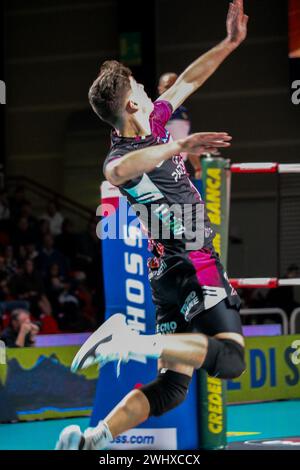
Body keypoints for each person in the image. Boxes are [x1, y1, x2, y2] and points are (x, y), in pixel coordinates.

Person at [56, 0, 248, 450]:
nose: (147, 87)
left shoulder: (158, 120)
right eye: (140, 85)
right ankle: (132, 341)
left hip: (165, 276)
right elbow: (123, 172)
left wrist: (230, 43)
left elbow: (189, 79)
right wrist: (176, 147)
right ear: (130, 102)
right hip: (192, 258)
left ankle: (93, 437)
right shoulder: (118, 158)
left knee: (172, 389)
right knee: (232, 358)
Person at [158, 72, 202, 179]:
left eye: (175, 86)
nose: (172, 90)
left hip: (180, 169)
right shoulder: (153, 112)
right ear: (160, 89)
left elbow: (187, 142)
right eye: (168, 87)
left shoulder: (184, 113)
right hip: (160, 170)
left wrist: (198, 168)